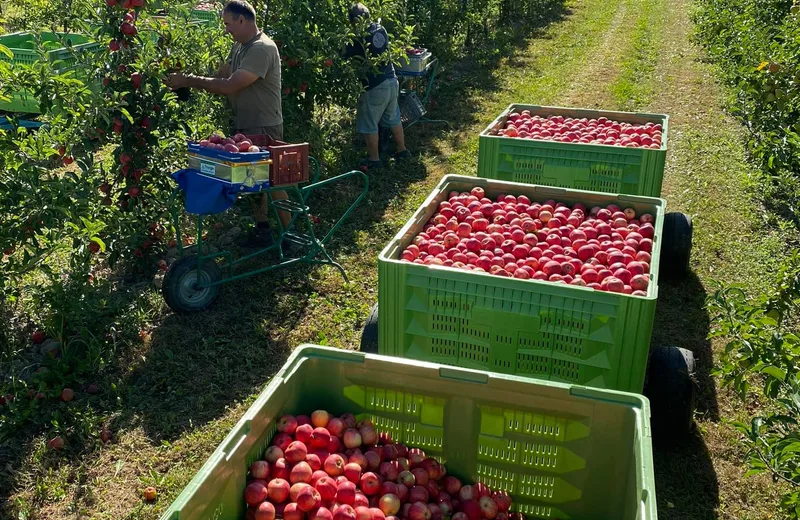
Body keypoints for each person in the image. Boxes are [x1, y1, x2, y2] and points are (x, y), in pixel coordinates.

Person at [166, 0, 287, 248]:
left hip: (263, 125)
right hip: (245, 125)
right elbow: (223, 74)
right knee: (254, 181)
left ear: (242, 20)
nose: (226, 29)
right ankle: (263, 229)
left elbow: (231, 85)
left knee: (273, 182)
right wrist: (187, 76)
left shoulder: (261, 48)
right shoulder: (241, 46)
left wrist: (189, 80)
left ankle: (291, 233)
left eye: (228, 24)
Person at [344, 3, 410, 170]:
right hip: (391, 79)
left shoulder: (358, 37)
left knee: (369, 123)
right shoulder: (380, 29)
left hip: (374, 86)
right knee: (394, 117)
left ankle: (374, 159)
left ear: (353, 21)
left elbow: (343, 54)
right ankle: (402, 151)